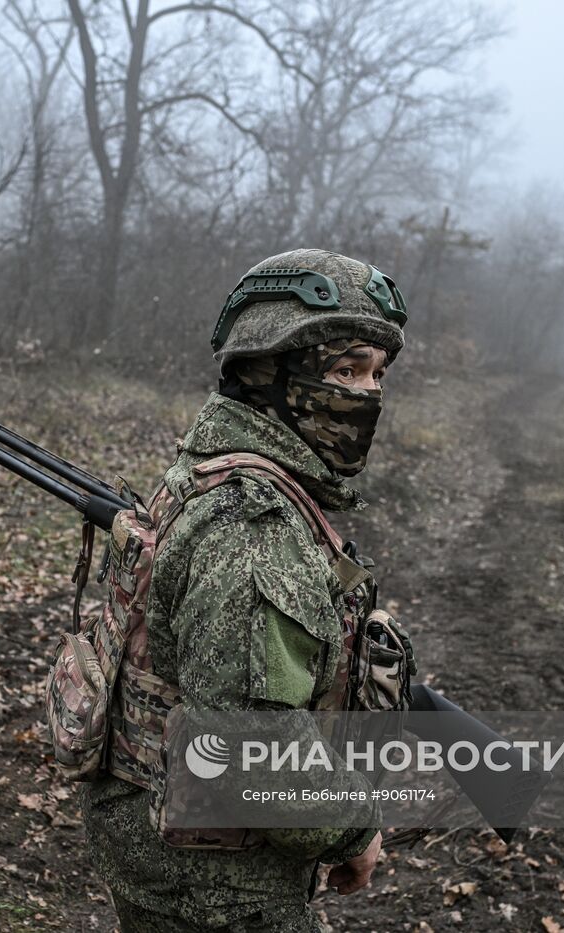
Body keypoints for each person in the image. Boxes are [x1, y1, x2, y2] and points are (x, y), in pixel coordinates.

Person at [84, 248, 413, 931]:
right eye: (346, 370)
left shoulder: (215, 472)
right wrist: (355, 829)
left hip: (181, 861)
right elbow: (245, 747)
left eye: (377, 373)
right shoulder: (251, 522)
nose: (369, 394)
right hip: (216, 886)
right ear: (269, 372)